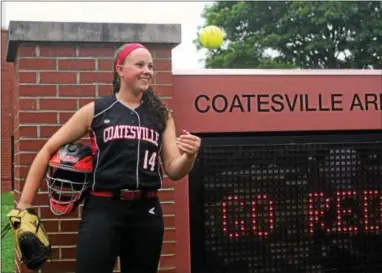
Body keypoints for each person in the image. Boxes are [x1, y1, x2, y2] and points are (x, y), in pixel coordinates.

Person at [16, 42, 201, 273]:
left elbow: (174, 169)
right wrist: (24, 205)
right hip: (103, 209)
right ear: (120, 69)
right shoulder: (97, 110)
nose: (148, 71)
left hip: (147, 211)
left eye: (151, 66)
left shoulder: (161, 114)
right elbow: (47, 149)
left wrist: (190, 156)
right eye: (140, 64)